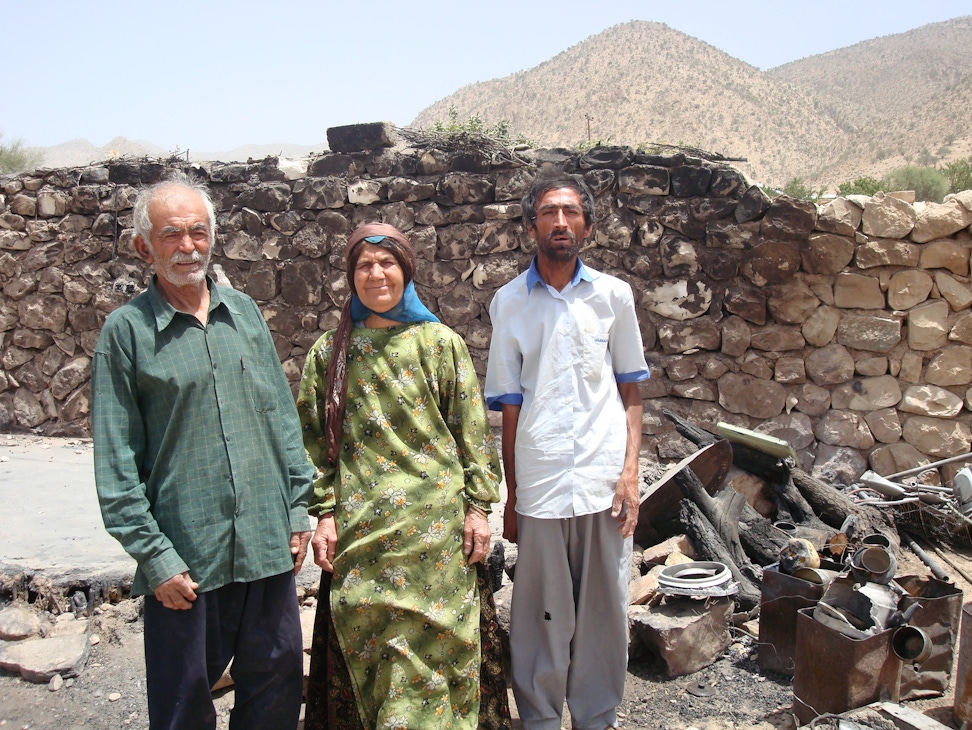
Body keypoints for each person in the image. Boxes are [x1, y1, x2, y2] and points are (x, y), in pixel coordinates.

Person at [92, 172, 314, 730]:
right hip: (186, 559)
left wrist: (297, 509)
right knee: (183, 705)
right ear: (145, 247)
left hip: (266, 545)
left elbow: (281, 420)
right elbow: (116, 467)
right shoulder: (127, 333)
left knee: (276, 688)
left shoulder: (243, 313)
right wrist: (154, 556)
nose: (188, 246)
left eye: (198, 232)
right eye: (172, 235)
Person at [297, 223, 510, 730]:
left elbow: (473, 433)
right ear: (351, 276)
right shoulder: (329, 354)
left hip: (436, 542)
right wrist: (324, 514)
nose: (376, 273)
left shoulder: (439, 345)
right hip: (360, 539)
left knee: (437, 657)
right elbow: (310, 446)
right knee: (374, 659)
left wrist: (479, 509)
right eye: (364, 264)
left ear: (406, 270)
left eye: (386, 262)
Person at [484, 173, 650, 730]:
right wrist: (511, 497)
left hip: (604, 481)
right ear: (530, 225)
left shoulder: (613, 297)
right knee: (540, 616)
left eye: (571, 212)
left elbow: (631, 390)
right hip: (542, 480)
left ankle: (597, 718)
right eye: (549, 213)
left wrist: (630, 474)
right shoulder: (508, 303)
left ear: (588, 226)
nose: (560, 222)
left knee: (604, 612)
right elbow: (509, 409)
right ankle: (540, 720)